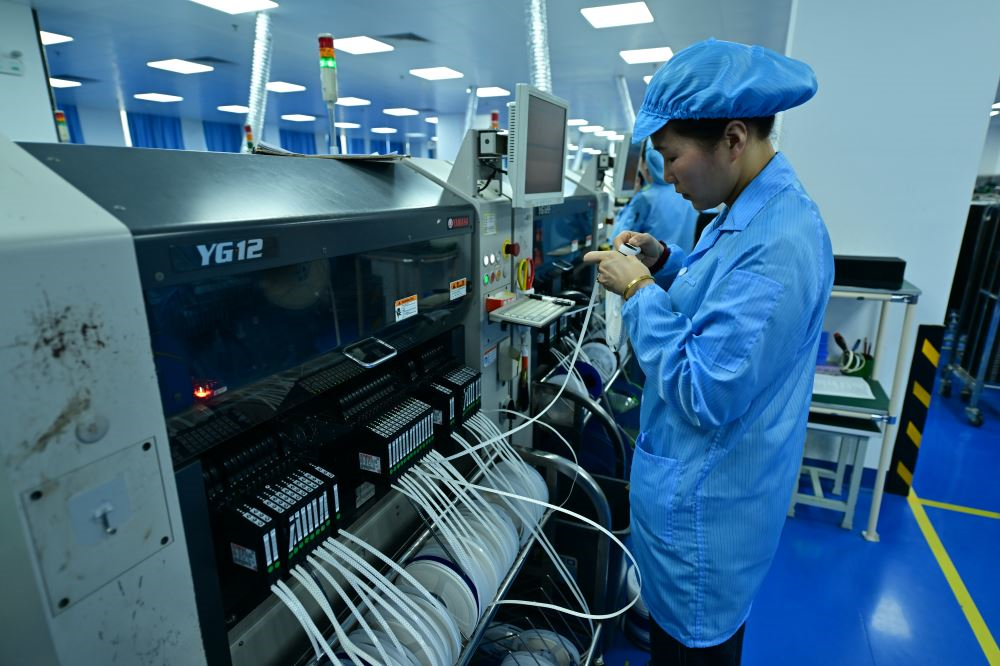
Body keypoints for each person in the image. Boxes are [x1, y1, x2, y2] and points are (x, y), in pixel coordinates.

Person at [584, 38, 833, 665]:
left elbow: (706, 388)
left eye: (672, 156)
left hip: (706, 522)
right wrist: (666, 262)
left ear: (733, 138)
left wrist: (637, 291)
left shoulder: (779, 239)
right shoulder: (747, 210)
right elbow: (722, 295)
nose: (666, 175)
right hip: (699, 504)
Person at [612, 143, 699, 253]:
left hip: (653, 262)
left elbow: (619, 239)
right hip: (682, 261)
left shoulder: (644, 198)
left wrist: (631, 203)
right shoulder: (686, 192)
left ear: (646, 164)